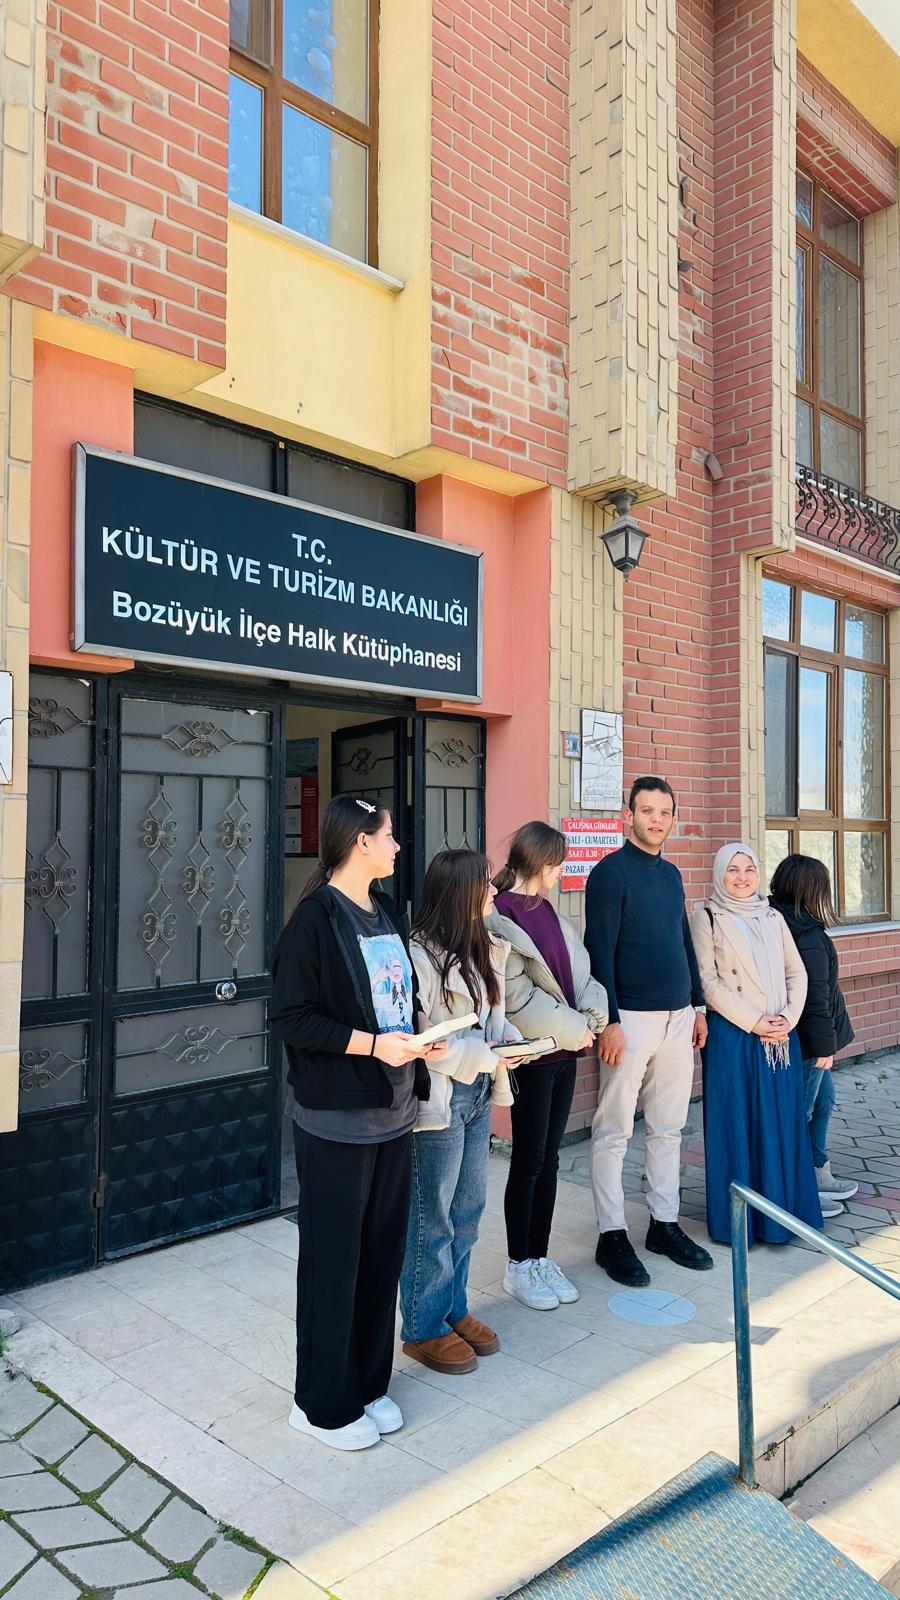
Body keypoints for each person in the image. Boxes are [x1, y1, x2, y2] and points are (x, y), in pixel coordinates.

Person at [271, 794, 447, 1452]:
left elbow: (401, 997)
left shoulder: (386, 910)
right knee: (333, 1262)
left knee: (380, 1255)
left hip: (394, 1113)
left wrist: (422, 1031)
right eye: (389, 835)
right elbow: (292, 1018)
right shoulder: (315, 919)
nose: (398, 846)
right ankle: (320, 1404)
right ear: (360, 842)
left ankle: (369, 1384)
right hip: (335, 1120)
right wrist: (373, 1046)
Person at [400, 850, 527, 1375]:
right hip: (441, 1096)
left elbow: (491, 1022)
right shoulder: (417, 955)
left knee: (468, 1211)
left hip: (477, 1092)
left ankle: (453, 1309)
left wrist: (512, 1040)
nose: (495, 892)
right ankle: (423, 1326)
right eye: (486, 884)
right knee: (432, 1216)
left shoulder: (485, 946)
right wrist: (486, 1054)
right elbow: (425, 1042)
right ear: (460, 893)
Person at [584, 776, 713, 1285]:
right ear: (628, 816)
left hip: (679, 1017)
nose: (656, 820)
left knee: (668, 1126)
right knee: (614, 1129)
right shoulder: (608, 874)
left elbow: (683, 941)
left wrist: (698, 1005)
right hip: (631, 1020)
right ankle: (611, 1234)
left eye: (664, 812)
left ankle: (663, 1224)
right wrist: (611, 1021)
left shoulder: (672, 874)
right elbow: (599, 953)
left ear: (673, 818)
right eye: (646, 811)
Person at [489, 821, 608, 1310]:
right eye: (557, 863)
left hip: (565, 1052)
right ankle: (518, 1265)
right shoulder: (500, 914)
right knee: (529, 1159)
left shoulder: (549, 910)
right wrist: (576, 1028)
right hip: (534, 1056)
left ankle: (539, 1257)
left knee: (551, 1158)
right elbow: (516, 997)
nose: (561, 872)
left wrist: (594, 1016)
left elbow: (580, 972)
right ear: (539, 862)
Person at [691, 843, 825, 1244]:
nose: (742, 877)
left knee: (782, 1122)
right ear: (720, 873)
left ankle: (782, 1218)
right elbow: (707, 983)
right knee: (738, 1123)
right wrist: (755, 1021)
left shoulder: (772, 916)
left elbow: (796, 973)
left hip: (780, 1037)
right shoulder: (706, 917)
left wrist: (788, 1018)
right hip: (735, 1037)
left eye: (749, 869)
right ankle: (741, 1224)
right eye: (733, 869)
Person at [769, 853, 858, 1210]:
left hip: (797, 1037)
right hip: (809, 1043)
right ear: (810, 889)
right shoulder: (807, 936)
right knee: (801, 1112)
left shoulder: (777, 922)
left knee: (824, 1102)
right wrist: (825, 1047)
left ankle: (818, 1171)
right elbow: (814, 998)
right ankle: (799, 1191)